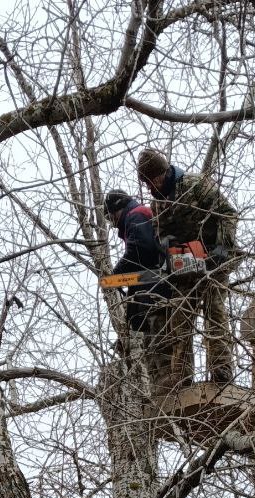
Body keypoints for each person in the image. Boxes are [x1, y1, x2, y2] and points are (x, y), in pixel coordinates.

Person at [137, 147, 238, 392]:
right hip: (187, 265)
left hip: (215, 258)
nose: (151, 186)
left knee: (214, 309)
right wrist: (168, 253)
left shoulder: (195, 184)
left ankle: (221, 368)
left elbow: (228, 214)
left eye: (153, 180)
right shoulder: (158, 202)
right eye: (146, 183)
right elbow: (161, 234)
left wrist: (222, 249)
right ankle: (181, 374)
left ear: (162, 172)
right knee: (180, 316)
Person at [103, 188, 170, 337]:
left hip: (156, 286)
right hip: (152, 285)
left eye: (110, 216)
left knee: (160, 342)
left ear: (118, 208)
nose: (112, 223)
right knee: (153, 343)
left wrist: (116, 275)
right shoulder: (134, 217)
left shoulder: (136, 215)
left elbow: (139, 250)